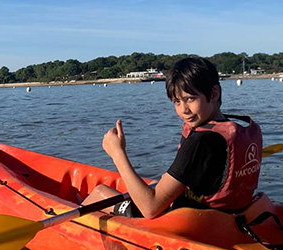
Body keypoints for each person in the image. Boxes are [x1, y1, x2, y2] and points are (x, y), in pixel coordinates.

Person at [82, 57, 263, 219]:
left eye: (190, 99)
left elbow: (150, 208)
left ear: (214, 94)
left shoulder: (201, 142)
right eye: (177, 102)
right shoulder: (241, 128)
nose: (183, 110)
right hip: (229, 218)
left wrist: (117, 153)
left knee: (99, 193)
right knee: (153, 184)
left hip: (191, 223)